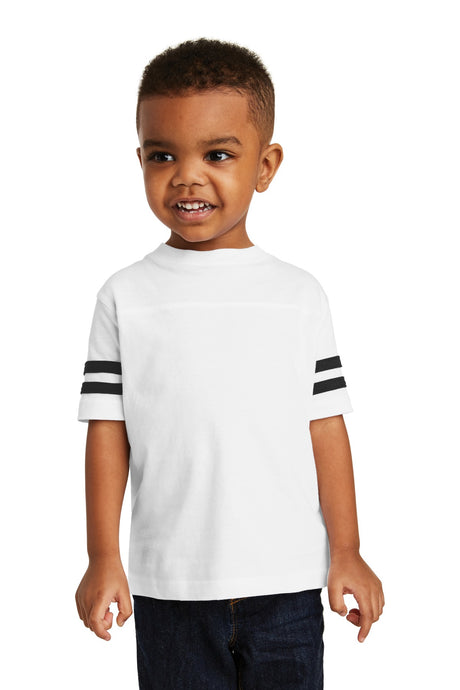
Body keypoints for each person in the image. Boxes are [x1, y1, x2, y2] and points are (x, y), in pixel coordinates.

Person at [75, 37, 385, 689]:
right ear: (140, 159)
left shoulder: (299, 295)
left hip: (287, 586)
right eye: (163, 155)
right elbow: (108, 432)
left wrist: (348, 550)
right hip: (170, 592)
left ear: (265, 166)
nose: (187, 176)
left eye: (217, 154)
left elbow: (325, 427)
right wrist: (103, 556)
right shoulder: (125, 296)